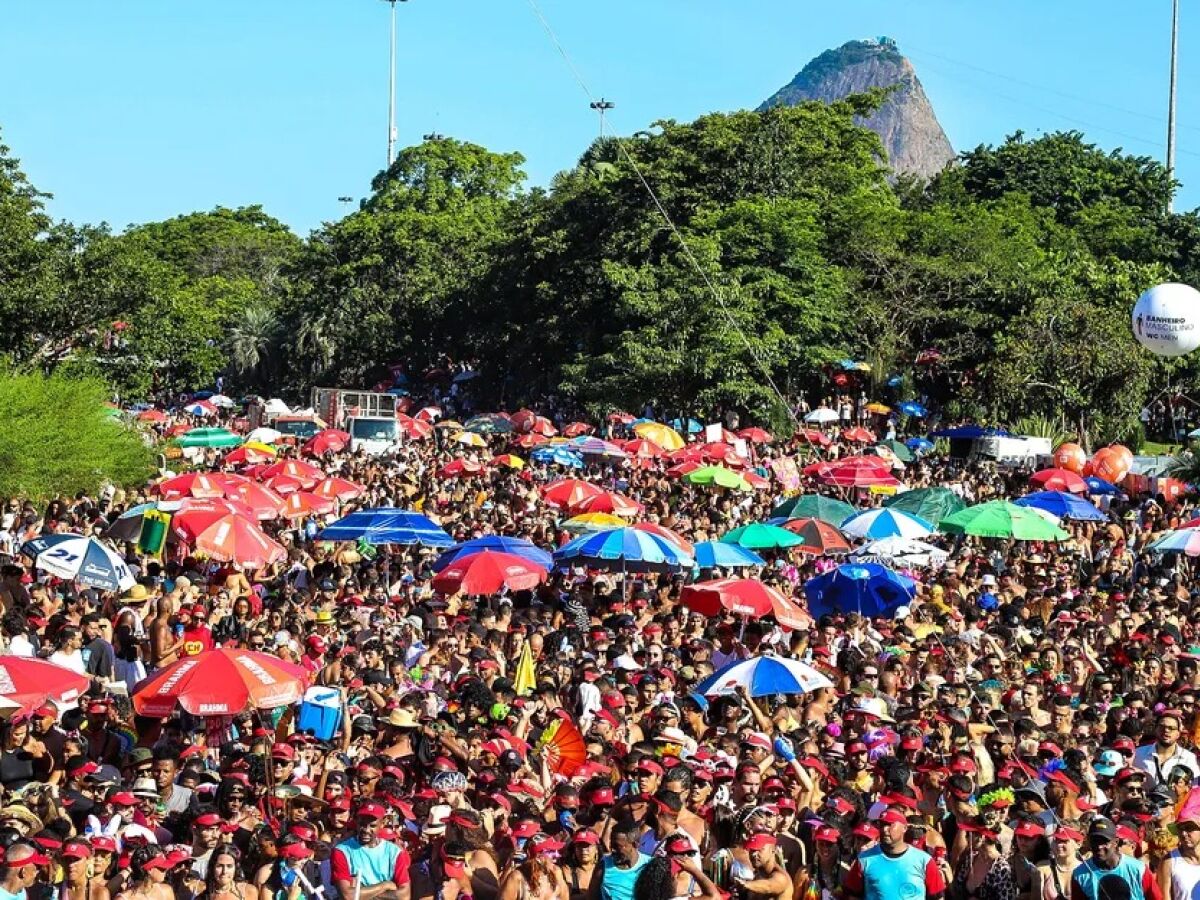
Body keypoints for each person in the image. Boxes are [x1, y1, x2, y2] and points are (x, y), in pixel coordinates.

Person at [843, 808, 946, 900]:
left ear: (904, 828)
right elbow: (853, 895)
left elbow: (938, 897)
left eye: (890, 824)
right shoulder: (864, 860)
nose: (884, 829)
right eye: (882, 825)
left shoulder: (924, 861)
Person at [330, 801, 411, 900]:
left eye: (372, 826)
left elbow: (404, 896)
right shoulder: (342, 851)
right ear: (356, 822)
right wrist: (385, 885)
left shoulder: (394, 852)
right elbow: (348, 896)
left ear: (383, 823)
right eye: (362, 824)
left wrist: (361, 891)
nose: (366, 830)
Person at [1069, 819, 1161, 900]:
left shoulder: (1138, 870)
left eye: (1105, 841)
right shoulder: (1080, 875)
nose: (1099, 846)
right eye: (1095, 841)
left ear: (1115, 842)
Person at [595, 819, 651, 900]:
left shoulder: (649, 866)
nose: (612, 850)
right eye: (612, 845)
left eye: (617, 846)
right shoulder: (603, 865)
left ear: (635, 844)